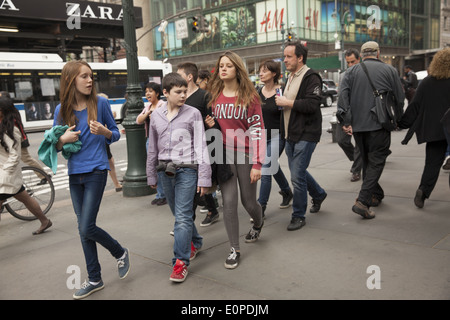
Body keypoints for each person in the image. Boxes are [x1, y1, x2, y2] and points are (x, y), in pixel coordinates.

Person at [53, 60, 130, 299]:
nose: (90, 80)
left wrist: (106, 132)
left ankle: (119, 251)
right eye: (84, 76)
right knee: (83, 229)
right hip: (74, 174)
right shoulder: (61, 110)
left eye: (91, 76)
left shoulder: (101, 103)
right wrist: (62, 139)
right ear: (70, 80)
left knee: (87, 225)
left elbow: (116, 133)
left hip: (97, 170)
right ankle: (95, 278)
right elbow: (53, 145)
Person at [146, 72, 211, 282]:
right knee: (178, 214)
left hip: (188, 169)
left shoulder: (193, 114)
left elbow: (201, 146)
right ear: (165, 93)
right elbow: (152, 148)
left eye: (185, 91)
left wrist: (204, 178)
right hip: (165, 171)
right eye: (178, 92)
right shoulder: (155, 115)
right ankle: (196, 241)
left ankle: (180, 262)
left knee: (183, 216)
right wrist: (151, 175)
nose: (183, 95)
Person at [205, 51, 265, 269]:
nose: (223, 69)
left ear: (237, 69)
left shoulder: (250, 97)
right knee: (228, 203)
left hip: (247, 154)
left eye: (228, 66)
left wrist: (258, 163)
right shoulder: (214, 95)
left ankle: (258, 222)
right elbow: (220, 127)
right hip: (224, 155)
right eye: (221, 65)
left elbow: (258, 130)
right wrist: (213, 126)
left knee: (248, 202)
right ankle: (234, 248)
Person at [338, 41, 405, 219]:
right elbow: (399, 98)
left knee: (368, 161)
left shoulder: (350, 72)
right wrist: (398, 119)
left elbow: (342, 99)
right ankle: (363, 200)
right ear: (378, 52)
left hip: (359, 127)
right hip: (379, 124)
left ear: (362, 54)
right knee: (376, 161)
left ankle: (376, 194)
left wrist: (346, 121)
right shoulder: (389, 70)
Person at [275, 41, 327, 231]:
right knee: (299, 172)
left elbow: (312, 104)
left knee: (296, 176)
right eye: (284, 56)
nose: (285, 59)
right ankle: (318, 194)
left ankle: (298, 215)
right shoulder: (290, 76)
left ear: (300, 58)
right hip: (290, 134)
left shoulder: (311, 76)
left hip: (306, 133)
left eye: (289, 56)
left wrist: (287, 102)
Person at [398, 47, 450, 208]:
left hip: (434, 131)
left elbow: (414, 106)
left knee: (432, 164)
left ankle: (423, 191)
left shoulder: (427, 82)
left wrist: (401, 123)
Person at [0, 96, 52, 234]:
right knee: (25, 198)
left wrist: (5, 173)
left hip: (6, 175)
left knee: (24, 197)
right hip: (4, 174)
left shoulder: (10, 129)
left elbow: (14, 156)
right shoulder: (2, 123)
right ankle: (45, 221)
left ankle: (45, 221)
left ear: (2, 111)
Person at [177, 62, 219, 227]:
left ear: (189, 77)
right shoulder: (179, 96)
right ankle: (211, 210)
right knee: (195, 184)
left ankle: (185, 223)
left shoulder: (204, 96)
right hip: (183, 148)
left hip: (202, 147)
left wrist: (209, 125)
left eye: (179, 75)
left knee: (197, 183)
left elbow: (213, 122)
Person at [257, 59, 293, 217]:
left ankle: (260, 207)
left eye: (264, 71)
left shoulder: (282, 91)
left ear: (273, 74)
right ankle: (286, 191)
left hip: (278, 136)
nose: (260, 73)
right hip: (262, 137)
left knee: (266, 168)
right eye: (260, 71)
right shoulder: (258, 92)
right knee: (272, 165)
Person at [0, 91, 49, 185]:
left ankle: (44, 175)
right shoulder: (10, 112)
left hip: (19, 140)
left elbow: (17, 129)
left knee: (27, 159)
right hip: (16, 140)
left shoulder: (11, 113)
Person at [136, 82, 166, 205]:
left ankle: (165, 194)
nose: (147, 94)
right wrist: (147, 113)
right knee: (153, 167)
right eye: (146, 91)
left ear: (157, 93)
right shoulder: (148, 107)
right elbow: (138, 120)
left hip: (162, 140)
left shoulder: (162, 105)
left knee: (163, 167)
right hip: (150, 140)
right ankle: (160, 194)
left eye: (150, 91)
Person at [336, 49, 362, 182]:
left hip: (360, 114)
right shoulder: (343, 75)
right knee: (342, 140)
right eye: (348, 62)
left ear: (359, 59)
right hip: (345, 114)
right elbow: (341, 97)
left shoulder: (364, 74)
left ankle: (356, 169)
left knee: (359, 143)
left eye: (353, 61)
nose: (351, 65)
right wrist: (342, 118)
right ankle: (359, 160)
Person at [98, 93, 122, 192]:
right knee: (109, 161)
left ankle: (116, 183)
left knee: (110, 160)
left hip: (103, 139)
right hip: (102, 140)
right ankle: (116, 184)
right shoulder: (100, 109)